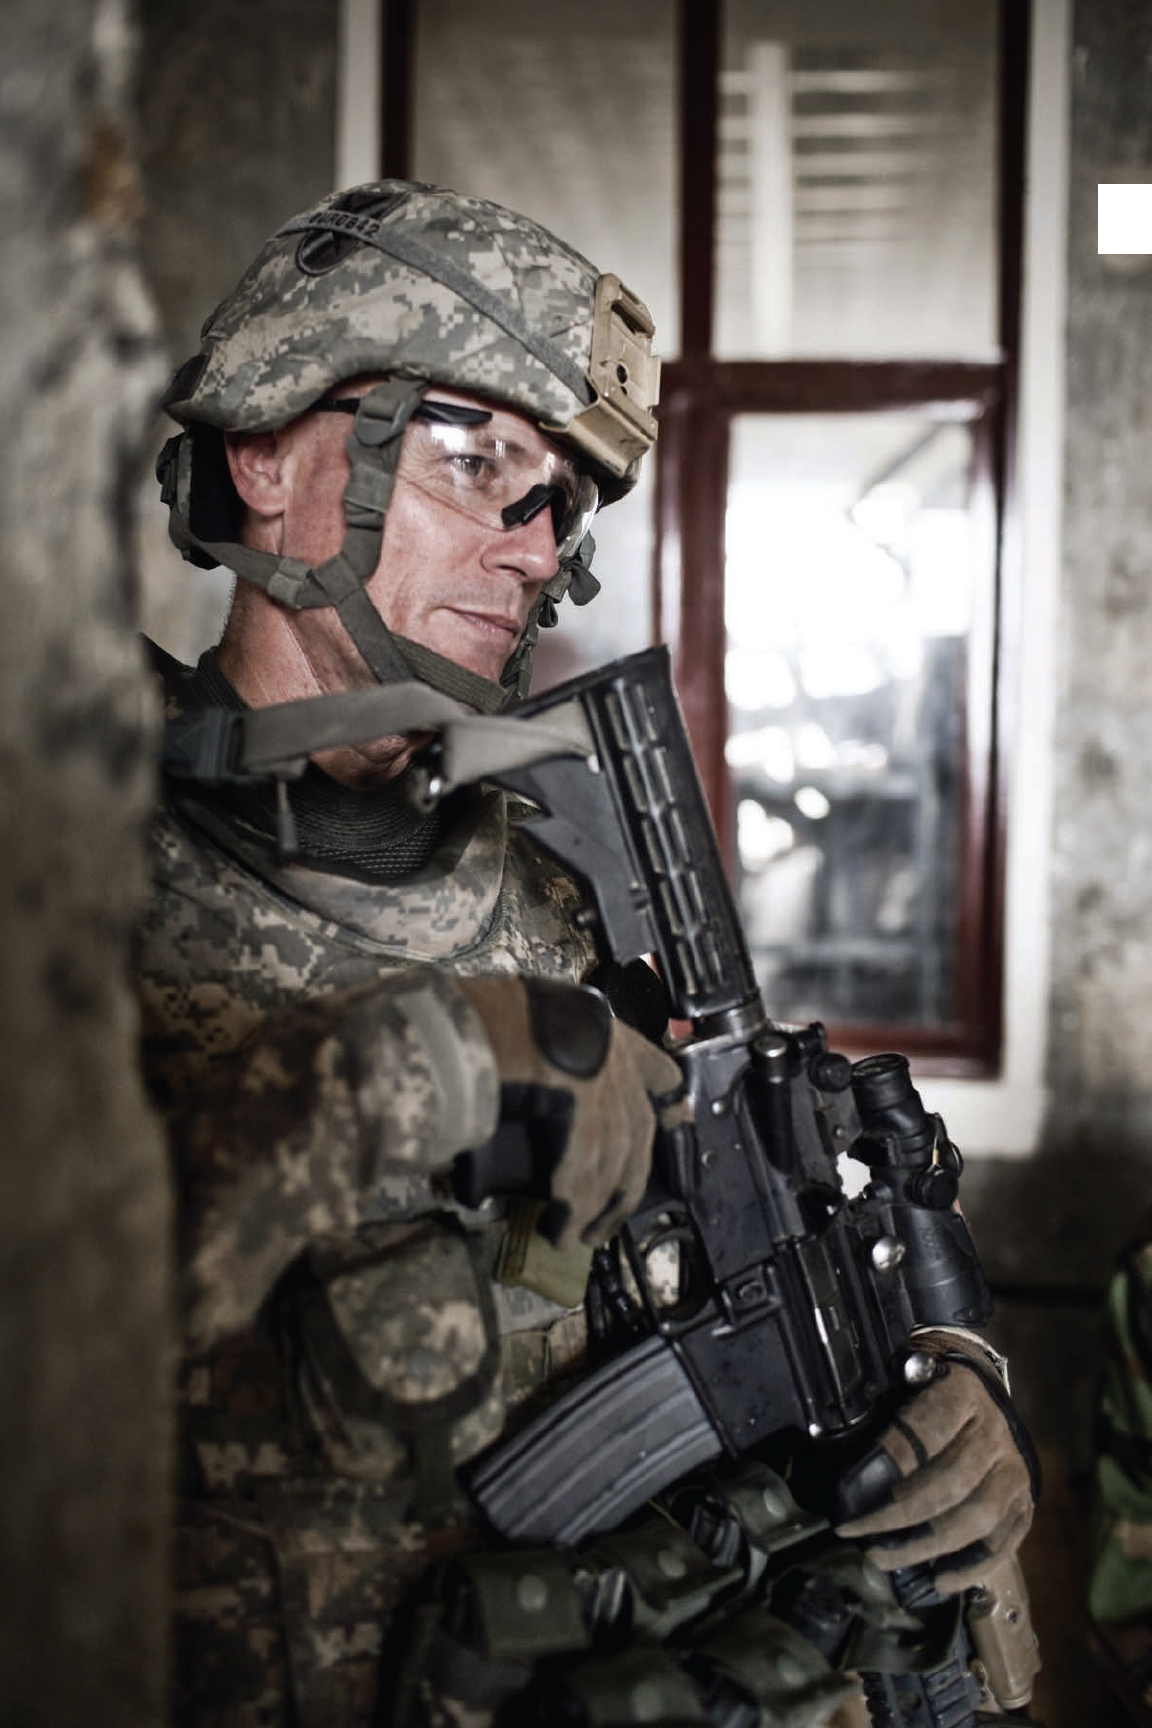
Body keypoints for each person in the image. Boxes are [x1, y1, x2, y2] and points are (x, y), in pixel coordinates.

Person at [138, 180, 1039, 1728]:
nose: (536, 546)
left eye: (563, 497)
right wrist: (427, 1064)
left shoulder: (566, 898)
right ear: (270, 454)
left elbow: (722, 1277)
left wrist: (936, 1384)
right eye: (476, 458)